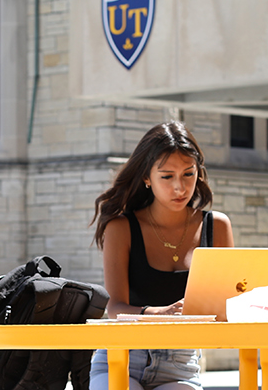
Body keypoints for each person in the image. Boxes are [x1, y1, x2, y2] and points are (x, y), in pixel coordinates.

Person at [87, 121, 235, 390]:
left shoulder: (217, 227)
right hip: (122, 356)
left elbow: (227, 306)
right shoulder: (121, 228)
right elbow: (115, 307)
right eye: (167, 177)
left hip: (179, 363)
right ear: (147, 178)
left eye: (188, 174)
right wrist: (159, 313)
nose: (179, 188)